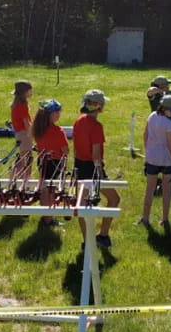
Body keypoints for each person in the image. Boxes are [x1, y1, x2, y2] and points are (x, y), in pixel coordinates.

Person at [73, 89, 120, 249]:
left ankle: (87, 241)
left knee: (83, 205)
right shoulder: (96, 126)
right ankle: (103, 236)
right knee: (114, 199)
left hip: (79, 165)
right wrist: (101, 175)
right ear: (99, 106)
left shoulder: (78, 120)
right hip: (92, 167)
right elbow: (95, 155)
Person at [139, 95, 171, 227]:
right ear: (165, 108)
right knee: (166, 190)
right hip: (167, 160)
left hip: (151, 159)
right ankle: (165, 219)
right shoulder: (168, 123)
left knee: (149, 189)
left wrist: (148, 151)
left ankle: (145, 218)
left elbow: (145, 135)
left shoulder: (151, 116)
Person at [32, 98, 69, 226]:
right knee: (52, 189)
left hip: (42, 161)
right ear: (50, 115)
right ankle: (49, 219)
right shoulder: (58, 131)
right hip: (55, 163)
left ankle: (45, 216)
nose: (59, 115)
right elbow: (65, 150)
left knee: (44, 189)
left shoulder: (37, 129)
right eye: (57, 112)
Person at [11, 80, 33, 179]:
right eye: (30, 90)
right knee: (27, 159)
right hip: (24, 134)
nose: (31, 92)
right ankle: (24, 180)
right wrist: (32, 135)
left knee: (23, 157)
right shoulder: (22, 105)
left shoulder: (17, 104)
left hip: (20, 133)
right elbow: (26, 123)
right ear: (24, 92)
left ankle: (21, 178)